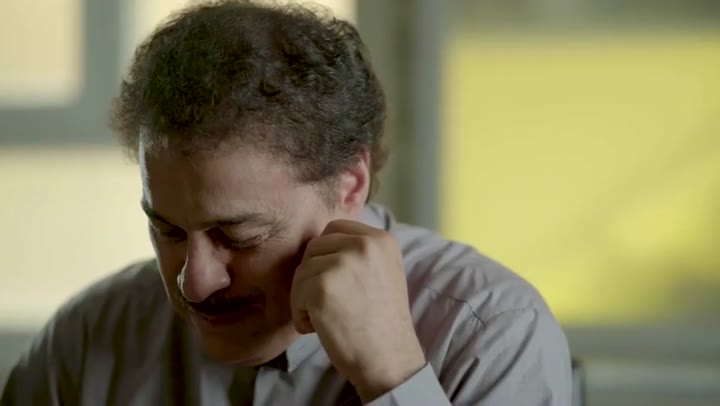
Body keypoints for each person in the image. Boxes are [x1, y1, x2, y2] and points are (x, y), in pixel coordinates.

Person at [1, 1, 572, 405]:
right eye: (168, 231)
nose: (194, 283)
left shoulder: (490, 335)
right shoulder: (88, 341)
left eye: (237, 235)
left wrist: (394, 380)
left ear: (350, 184)